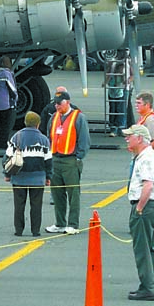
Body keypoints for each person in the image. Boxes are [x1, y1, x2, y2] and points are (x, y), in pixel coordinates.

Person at [123, 125, 154, 301]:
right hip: (153, 205)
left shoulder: (146, 159)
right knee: (148, 247)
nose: (127, 139)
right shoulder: (148, 156)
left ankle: (147, 287)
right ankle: (149, 283)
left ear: (139, 138)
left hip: (146, 206)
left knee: (142, 248)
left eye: (130, 136)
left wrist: (139, 207)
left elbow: (148, 185)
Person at [45, 91, 90, 235]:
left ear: (68, 102)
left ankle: (73, 224)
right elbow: (49, 137)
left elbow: (84, 139)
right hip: (55, 159)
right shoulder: (53, 117)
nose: (57, 106)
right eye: (56, 103)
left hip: (70, 160)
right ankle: (59, 223)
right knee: (57, 193)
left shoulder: (79, 117)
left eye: (60, 103)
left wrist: (78, 157)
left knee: (73, 193)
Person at [4, 112, 52, 237]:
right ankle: (35, 231)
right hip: (38, 178)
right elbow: (48, 161)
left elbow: (7, 157)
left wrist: (7, 174)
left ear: (25, 122)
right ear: (38, 124)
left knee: (19, 205)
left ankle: (18, 230)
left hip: (19, 178)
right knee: (36, 205)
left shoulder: (16, 137)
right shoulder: (44, 139)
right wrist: (48, 177)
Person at [0, 56, 18, 149]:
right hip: (6, 103)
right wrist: (15, 99)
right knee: (5, 126)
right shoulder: (6, 73)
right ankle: (2, 145)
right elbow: (12, 88)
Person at [104, 50, 132, 136]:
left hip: (123, 88)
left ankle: (121, 127)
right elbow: (108, 73)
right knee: (113, 108)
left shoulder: (127, 63)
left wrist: (128, 81)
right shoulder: (113, 63)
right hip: (113, 88)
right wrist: (106, 82)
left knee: (121, 109)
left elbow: (132, 74)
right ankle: (113, 128)